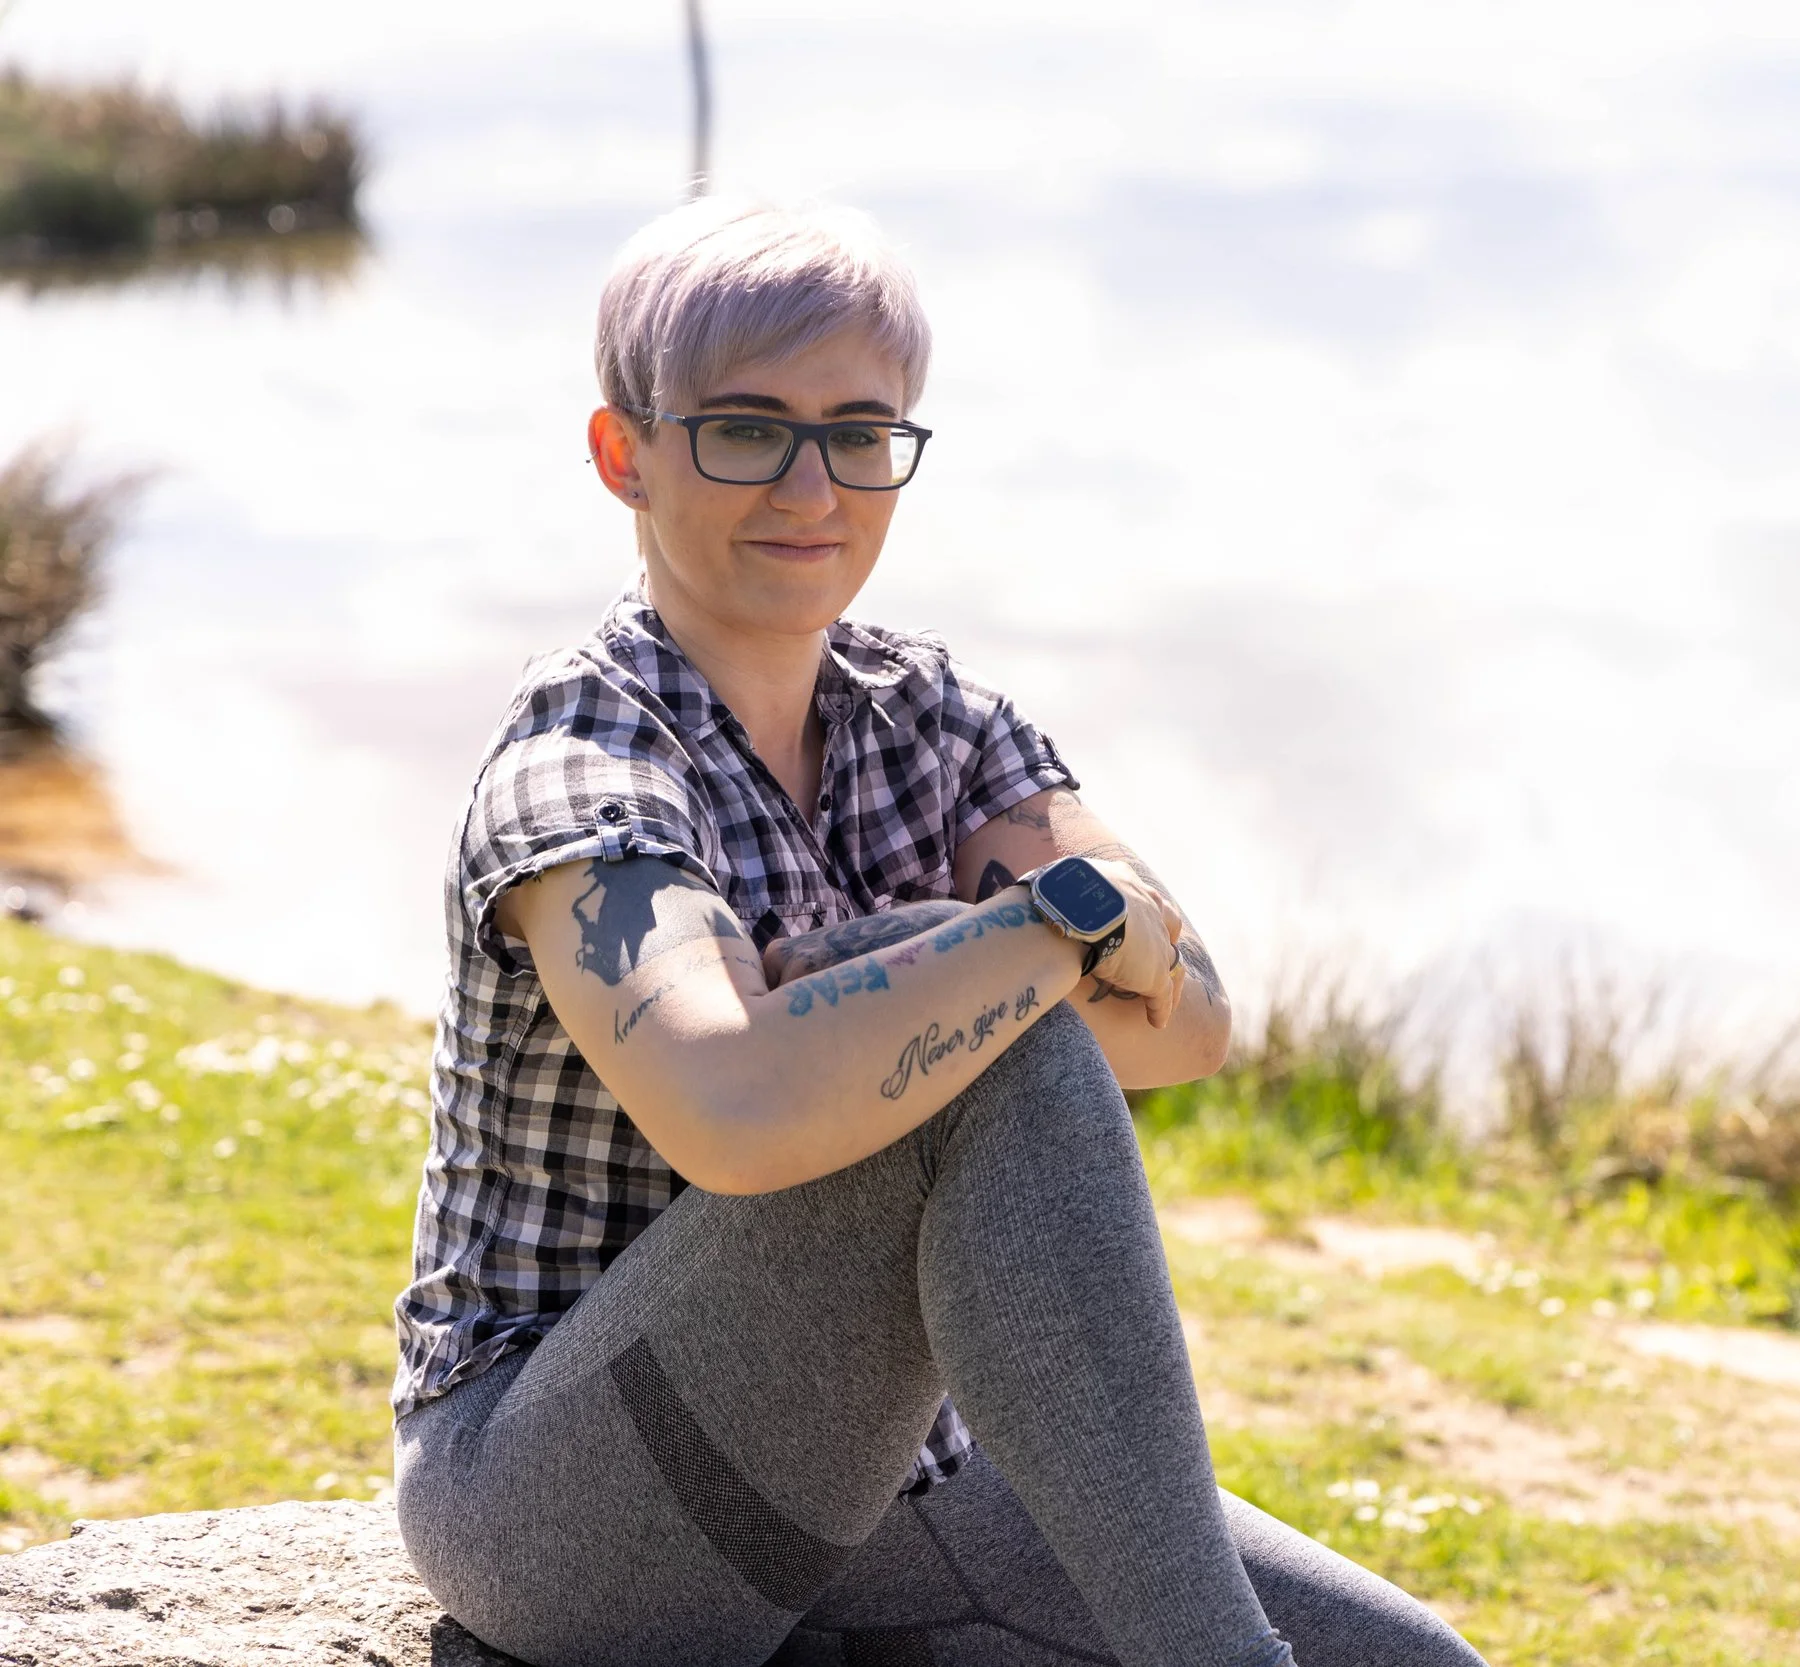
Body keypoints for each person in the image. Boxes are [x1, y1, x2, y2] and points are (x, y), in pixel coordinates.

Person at [390, 198, 1485, 1667]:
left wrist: (971, 960)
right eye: (745, 427)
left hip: (902, 1482)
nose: (810, 483)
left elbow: (1197, 1016)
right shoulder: (585, 763)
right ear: (623, 454)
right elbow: (733, 1105)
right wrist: (1022, 945)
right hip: (567, 1501)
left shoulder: (929, 711)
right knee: (988, 1035)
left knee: (1415, 1663)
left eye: (859, 430)